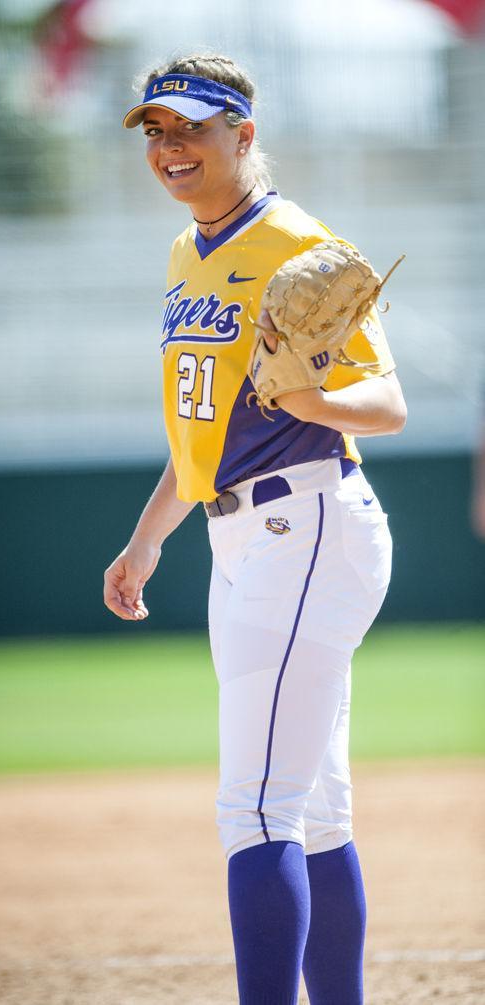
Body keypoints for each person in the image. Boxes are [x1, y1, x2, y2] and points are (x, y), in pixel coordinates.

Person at [103, 53, 407, 1005]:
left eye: (191, 127)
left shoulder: (295, 241)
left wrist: (317, 393)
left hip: (308, 520)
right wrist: (151, 534)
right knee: (311, 810)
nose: (170, 147)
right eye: (156, 130)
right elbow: (202, 432)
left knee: (255, 807)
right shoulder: (187, 252)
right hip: (240, 538)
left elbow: (389, 402)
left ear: (242, 132)